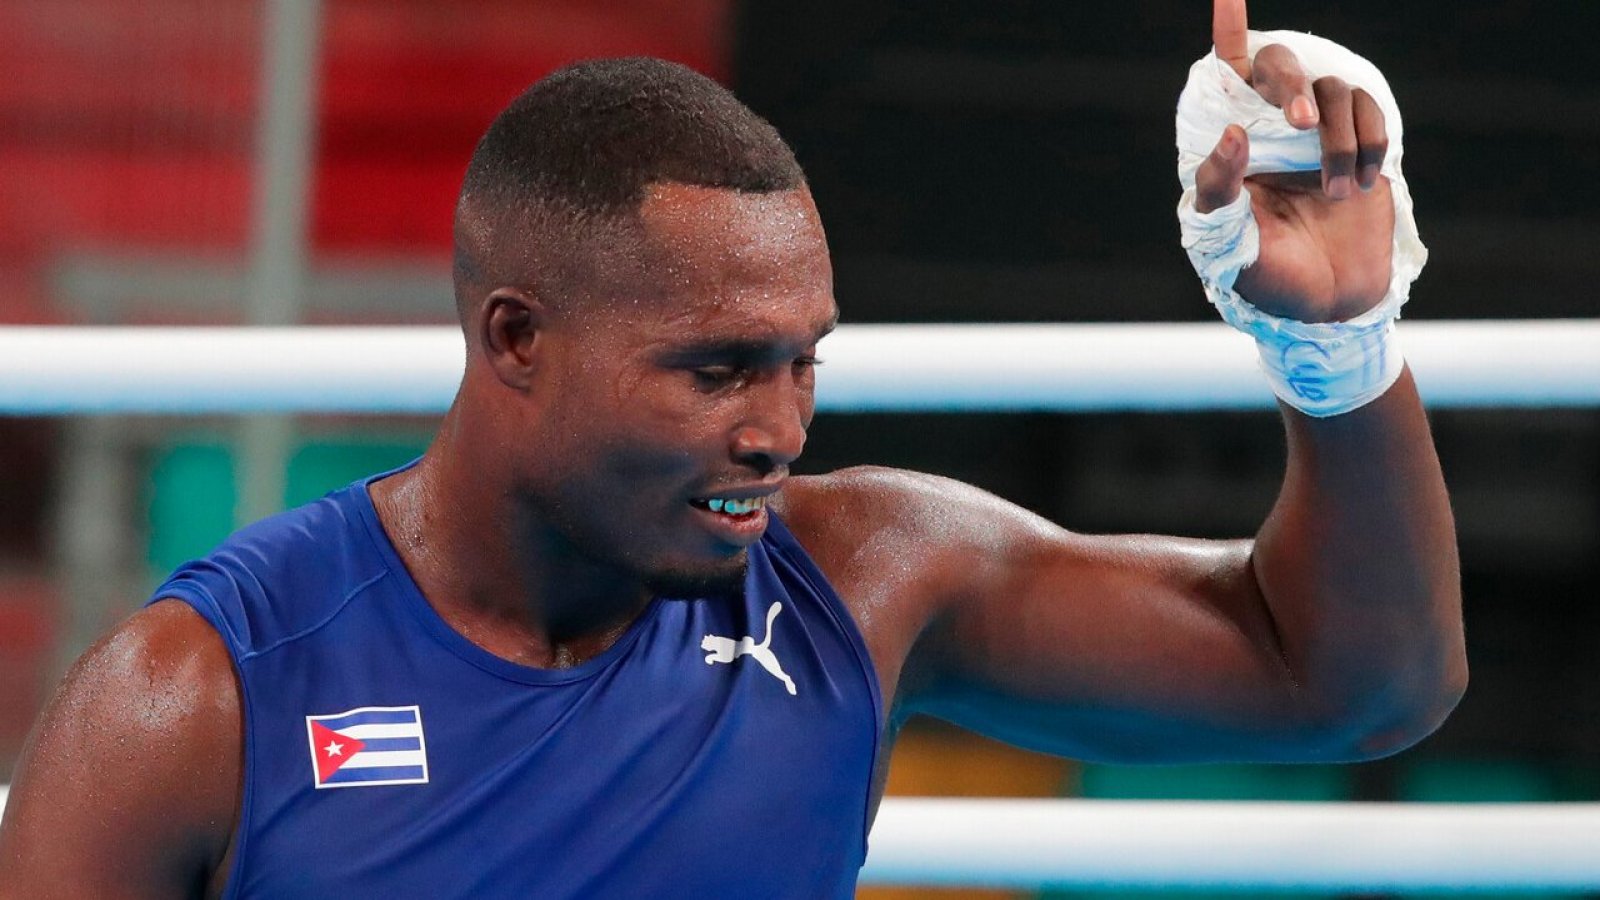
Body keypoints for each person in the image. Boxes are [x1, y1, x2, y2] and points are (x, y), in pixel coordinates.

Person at [0, 1, 1464, 896]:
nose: (775, 430)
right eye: (713, 371)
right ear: (516, 340)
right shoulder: (195, 701)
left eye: (801, 361)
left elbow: (1353, 682)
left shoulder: (867, 572)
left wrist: (1335, 347)